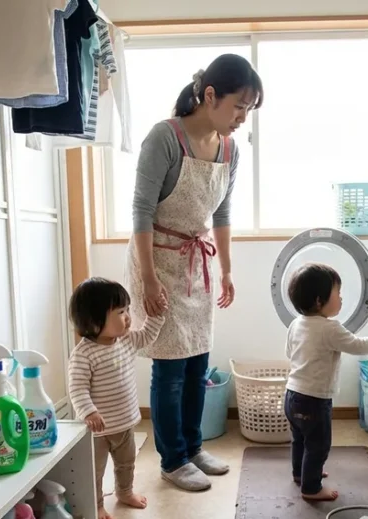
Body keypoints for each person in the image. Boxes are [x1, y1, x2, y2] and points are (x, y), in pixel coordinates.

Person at [125, 54, 263, 492]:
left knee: (198, 359)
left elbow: (221, 212)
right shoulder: (164, 138)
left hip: (197, 262)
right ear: (209, 96)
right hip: (158, 259)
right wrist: (147, 279)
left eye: (249, 110)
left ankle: (193, 446)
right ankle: (172, 460)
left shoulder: (229, 148)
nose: (243, 118)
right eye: (239, 106)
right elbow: (142, 211)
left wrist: (226, 269)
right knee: (169, 367)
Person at [285, 263, 368, 501]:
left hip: (292, 395)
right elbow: (357, 345)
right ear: (319, 300)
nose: (341, 298)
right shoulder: (330, 328)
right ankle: (311, 488)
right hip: (314, 399)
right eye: (338, 293)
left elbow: (290, 352)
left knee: (300, 440)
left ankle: (300, 474)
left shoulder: (296, 324)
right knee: (318, 445)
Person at [67, 277, 166, 519]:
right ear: (93, 320)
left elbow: (146, 337)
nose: (128, 317)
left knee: (126, 463)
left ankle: (124, 492)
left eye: (128, 310)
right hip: (98, 431)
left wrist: (157, 315)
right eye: (121, 312)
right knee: (95, 470)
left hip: (125, 423)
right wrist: (89, 412)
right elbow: (77, 387)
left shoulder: (126, 340)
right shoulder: (84, 353)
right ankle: (97, 504)